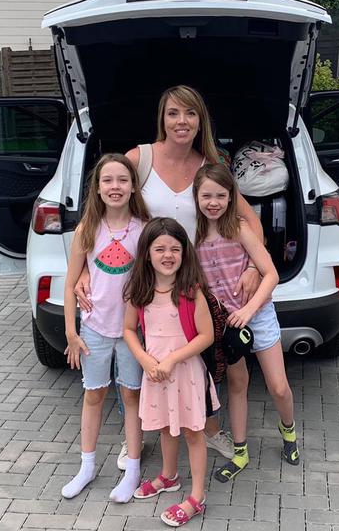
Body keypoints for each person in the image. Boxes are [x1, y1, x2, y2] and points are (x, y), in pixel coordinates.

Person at [75, 85, 263, 464]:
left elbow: (248, 218)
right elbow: (99, 212)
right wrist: (80, 270)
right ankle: (140, 434)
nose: (182, 121)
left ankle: (208, 431)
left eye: (190, 114)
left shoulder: (209, 167)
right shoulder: (139, 158)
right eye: (174, 113)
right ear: (162, 118)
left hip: (195, 285)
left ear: (200, 122)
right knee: (144, 363)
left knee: (203, 364)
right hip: (145, 285)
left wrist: (257, 266)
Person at [192, 164, 300, 483]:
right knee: (237, 385)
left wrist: (250, 310)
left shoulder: (238, 227)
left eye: (221, 196)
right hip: (225, 323)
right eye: (206, 195)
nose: (213, 202)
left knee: (278, 386)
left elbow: (271, 274)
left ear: (231, 197)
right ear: (196, 196)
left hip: (257, 314)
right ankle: (240, 451)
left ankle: (289, 430)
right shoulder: (192, 235)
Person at [61, 154, 150, 503]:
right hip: (94, 328)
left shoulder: (144, 228)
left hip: (131, 331)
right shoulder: (86, 230)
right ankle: (86, 466)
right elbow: (71, 283)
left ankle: (133, 468)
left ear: (132, 187)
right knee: (94, 395)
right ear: (97, 188)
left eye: (122, 180)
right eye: (108, 181)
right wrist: (71, 330)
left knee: (131, 396)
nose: (115, 187)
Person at [123, 218, 219, 527]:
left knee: (192, 432)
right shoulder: (140, 290)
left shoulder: (191, 292)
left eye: (175, 249)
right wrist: (145, 360)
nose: (168, 255)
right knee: (165, 426)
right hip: (156, 374)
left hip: (186, 374)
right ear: (147, 253)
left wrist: (171, 360)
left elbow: (206, 335)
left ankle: (197, 496)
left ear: (184, 253)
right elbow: (128, 330)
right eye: (160, 248)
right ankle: (169, 475)